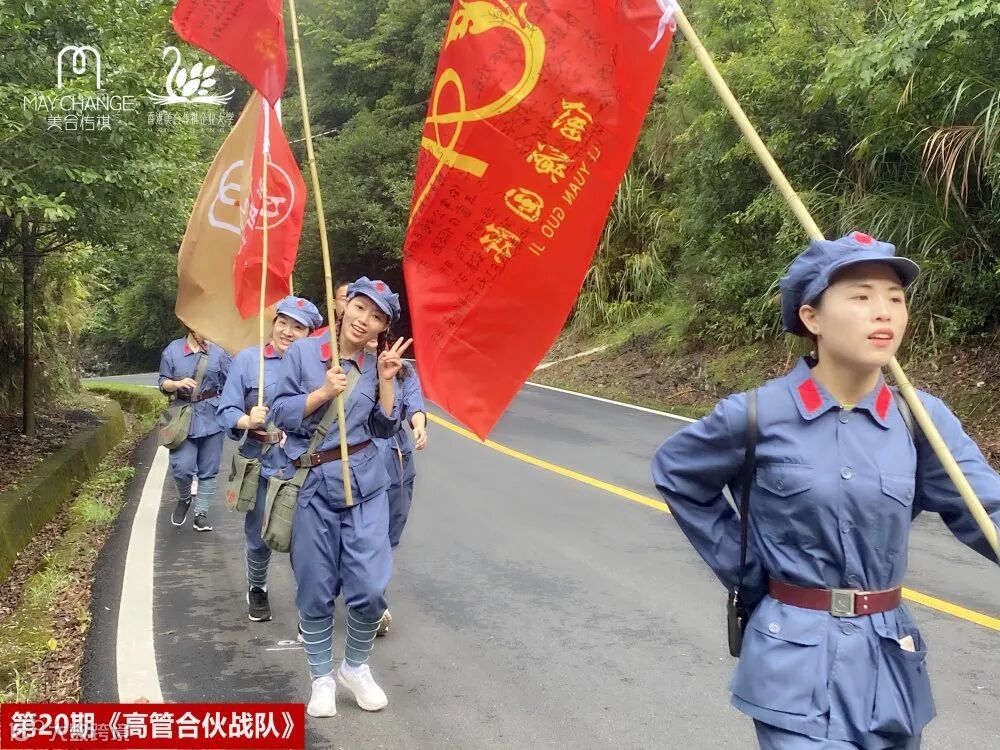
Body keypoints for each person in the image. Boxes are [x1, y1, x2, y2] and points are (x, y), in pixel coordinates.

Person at [651, 232, 1000, 749]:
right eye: (860, 296)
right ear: (811, 318)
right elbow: (677, 472)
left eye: (895, 299)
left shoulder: (919, 420)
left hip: (889, 663)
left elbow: (987, 508)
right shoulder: (756, 414)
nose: (883, 312)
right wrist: (750, 573)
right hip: (794, 659)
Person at [270, 277, 412, 718]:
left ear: (383, 327)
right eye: (360, 308)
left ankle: (355, 667)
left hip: (366, 485)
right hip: (314, 484)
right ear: (344, 307)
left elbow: (386, 428)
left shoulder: (378, 364)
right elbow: (280, 413)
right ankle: (321, 677)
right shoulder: (303, 353)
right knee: (315, 586)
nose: (364, 320)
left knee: (370, 586)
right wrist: (322, 393)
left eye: (377, 317)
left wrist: (386, 382)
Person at [216, 296, 323, 622]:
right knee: (259, 534)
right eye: (283, 323)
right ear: (273, 324)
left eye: (298, 327)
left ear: (311, 334)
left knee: (304, 539)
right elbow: (226, 410)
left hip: (304, 466)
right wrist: (247, 420)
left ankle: (309, 603)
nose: (287, 331)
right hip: (262, 462)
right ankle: (258, 587)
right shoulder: (249, 361)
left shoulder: (321, 367)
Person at [374, 358, 427, 636]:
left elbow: (415, 406)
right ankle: (371, 603)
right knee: (363, 532)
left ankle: (374, 597)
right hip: (357, 455)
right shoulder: (342, 364)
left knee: (388, 533)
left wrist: (419, 425)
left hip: (397, 460)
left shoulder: (403, 370)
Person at [158, 327, 231, 532]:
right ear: (190, 327)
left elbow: (230, 382)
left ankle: (201, 514)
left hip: (212, 416)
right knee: (182, 467)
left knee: (209, 468)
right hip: (182, 416)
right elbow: (163, 382)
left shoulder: (219, 352)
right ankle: (184, 498)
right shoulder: (172, 350)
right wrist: (176, 384)